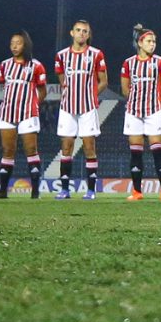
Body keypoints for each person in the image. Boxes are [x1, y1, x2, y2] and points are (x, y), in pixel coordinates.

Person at [55, 19, 110, 196]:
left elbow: (103, 82)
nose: (81, 33)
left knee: (89, 146)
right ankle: (64, 189)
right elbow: (63, 80)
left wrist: (91, 95)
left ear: (88, 35)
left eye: (85, 31)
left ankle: (91, 190)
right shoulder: (62, 55)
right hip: (67, 107)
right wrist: (69, 93)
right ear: (72, 33)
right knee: (66, 147)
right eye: (78, 30)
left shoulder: (96, 54)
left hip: (88, 107)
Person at [122, 28, 161, 198]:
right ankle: (137, 192)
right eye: (149, 41)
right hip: (133, 112)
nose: (152, 45)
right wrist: (135, 102)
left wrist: (155, 103)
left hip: (154, 112)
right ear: (139, 43)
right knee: (136, 152)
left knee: (157, 151)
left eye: (154, 42)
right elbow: (125, 89)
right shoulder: (129, 63)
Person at [0, 33, 47, 199]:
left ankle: (35, 191)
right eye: (12, 43)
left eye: (18, 43)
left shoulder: (36, 66)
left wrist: (32, 104)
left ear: (26, 45)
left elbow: (42, 90)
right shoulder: (4, 65)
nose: (14, 46)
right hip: (7, 113)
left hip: (28, 113)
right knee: (7, 150)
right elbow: (4, 86)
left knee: (31, 150)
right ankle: (2, 191)